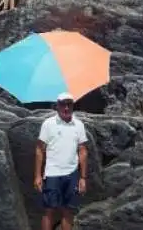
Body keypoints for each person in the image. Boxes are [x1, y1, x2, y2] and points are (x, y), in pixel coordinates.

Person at [33, 93, 88, 230]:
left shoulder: (79, 125)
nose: (66, 108)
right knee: (49, 211)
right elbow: (39, 149)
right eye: (63, 104)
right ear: (57, 106)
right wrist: (38, 175)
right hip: (52, 173)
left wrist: (83, 177)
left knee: (68, 211)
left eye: (69, 104)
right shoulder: (48, 124)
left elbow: (83, 151)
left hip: (72, 174)